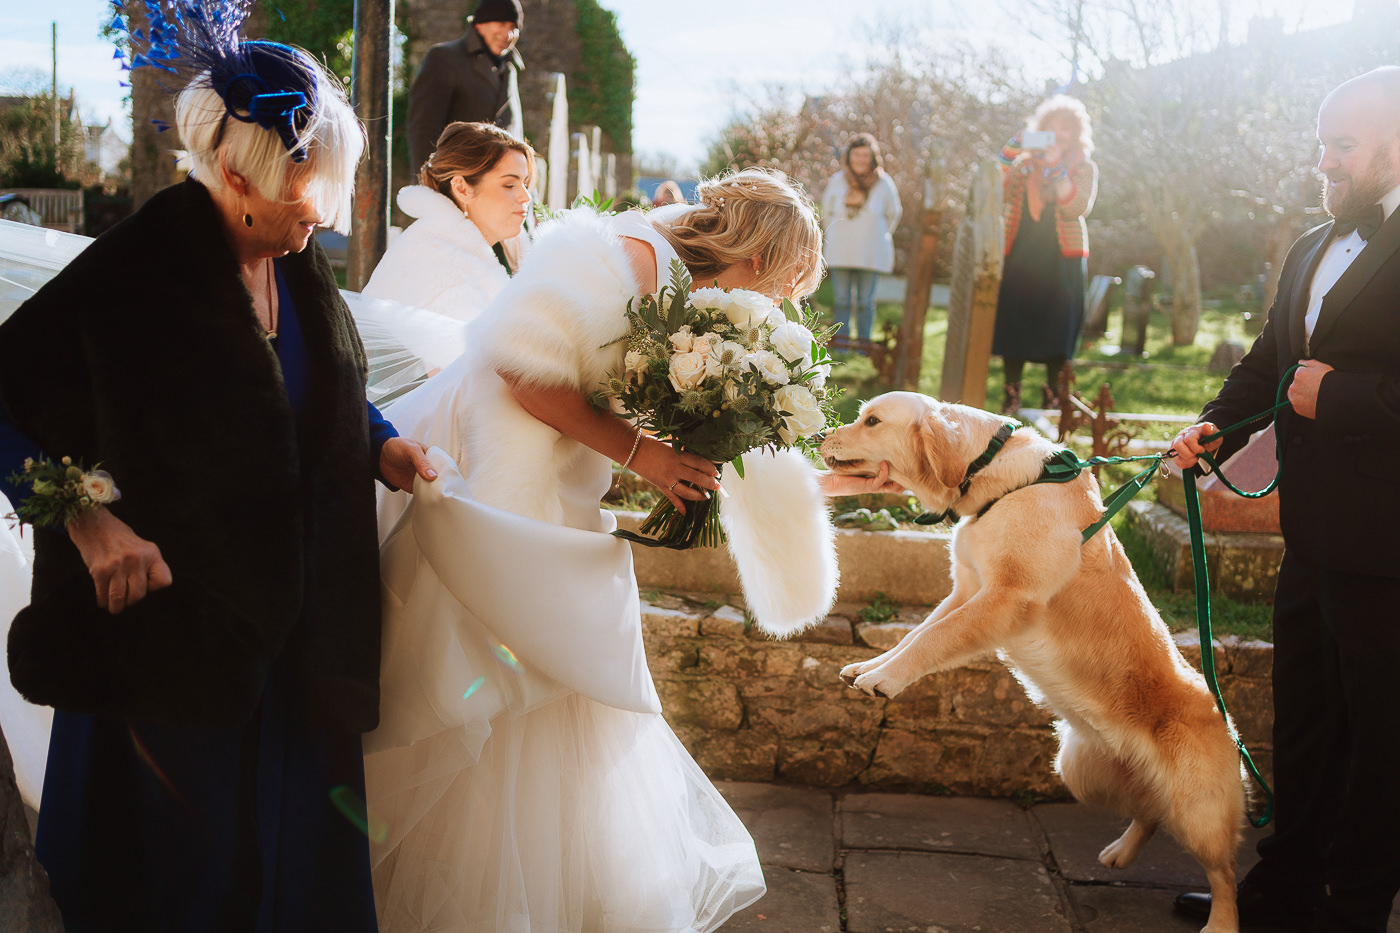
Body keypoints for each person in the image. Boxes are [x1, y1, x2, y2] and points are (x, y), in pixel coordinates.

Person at [0, 35, 436, 932]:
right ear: (239, 177)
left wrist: (379, 441)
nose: (333, 212)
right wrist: (88, 521)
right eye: (314, 183)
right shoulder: (131, 273)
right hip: (174, 659)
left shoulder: (292, 257)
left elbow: (314, 395)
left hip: (302, 650)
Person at [362, 167, 827, 932]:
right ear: (748, 253)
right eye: (780, 279)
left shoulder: (687, 286)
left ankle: (553, 893)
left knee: (564, 678)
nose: (776, 300)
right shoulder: (618, 257)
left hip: (563, 476)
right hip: (489, 469)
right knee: (491, 668)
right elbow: (519, 370)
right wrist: (646, 456)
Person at [1170, 67, 1400, 933]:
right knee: (1304, 722)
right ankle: (1283, 891)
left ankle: (1359, 905)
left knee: (1382, 740)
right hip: (1310, 539)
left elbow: (1324, 385)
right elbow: (1271, 359)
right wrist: (1212, 430)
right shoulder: (1310, 243)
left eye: (1343, 144)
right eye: (1321, 143)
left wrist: (1336, 397)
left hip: (1391, 550)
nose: (1325, 161)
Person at [364, 121, 535, 322]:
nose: (526, 197)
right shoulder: (438, 266)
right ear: (462, 189)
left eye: (524, 183)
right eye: (509, 185)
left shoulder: (450, 246)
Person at [992, 95, 1098, 413]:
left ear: (1076, 133)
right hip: (1022, 252)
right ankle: (1011, 393)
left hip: (1062, 257)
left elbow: (1075, 207)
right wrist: (1014, 147)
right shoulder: (1023, 165)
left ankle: (1053, 394)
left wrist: (1054, 166)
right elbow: (997, 186)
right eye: (1051, 127)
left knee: (1059, 322)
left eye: (1065, 128)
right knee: (1014, 321)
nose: (1058, 134)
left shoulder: (1084, 167)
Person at [407, 0, 524, 178]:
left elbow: (516, 135)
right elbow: (423, 131)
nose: (508, 34)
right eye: (501, 24)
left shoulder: (510, 68)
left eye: (513, 27)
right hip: (456, 187)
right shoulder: (444, 58)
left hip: (501, 193)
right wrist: (430, 188)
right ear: (479, 24)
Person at [820, 133, 903, 344]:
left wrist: (880, 235)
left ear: (873, 157)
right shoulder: (838, 181)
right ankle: (842, 342)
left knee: (866, 302)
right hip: (841, 249)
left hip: (871, 251)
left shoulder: (884, 183)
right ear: (849, 156)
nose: (860, 159)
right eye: (857, 155)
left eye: (865, 155)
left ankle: (865, 345)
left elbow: (894, 214)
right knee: (842, 300)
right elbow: (827, 213)